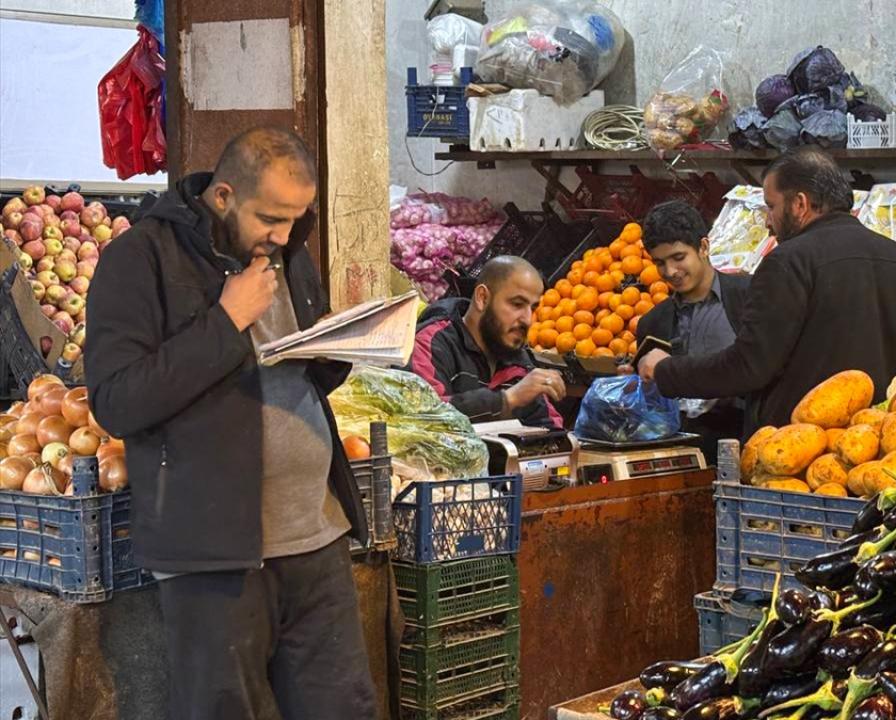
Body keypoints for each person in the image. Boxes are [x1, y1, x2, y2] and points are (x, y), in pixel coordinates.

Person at [84, 127, 377, 720]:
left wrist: (338, 351)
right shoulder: (138, 259)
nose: (285, 235)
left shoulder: (286, 250)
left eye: (296, 219)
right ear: (222, 197)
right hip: (212, 554)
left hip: (316, 537)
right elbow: (117, 400)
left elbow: (289, 369)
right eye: (271, 218)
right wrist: (226, 319)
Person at [638, 146, 896, 436]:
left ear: (799, 204)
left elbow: (749, 366)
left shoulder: (788, 262)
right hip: (892, 445)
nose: (767, 220)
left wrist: (666, 371)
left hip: (805, 455)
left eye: (771, 206)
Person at [632, 201, 750, 458]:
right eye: (660, 262)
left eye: (678, 257)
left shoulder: (748, 300)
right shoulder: (652, 324)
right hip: (678, 454)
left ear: (704, 247)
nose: (670, 271)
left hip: (742, 444)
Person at [411, 256, 565, 429]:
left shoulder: (517, 359)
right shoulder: (431, 343)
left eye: (533, 308)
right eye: (517, 304)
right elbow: (424, 418)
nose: (527, 320)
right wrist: (507, 400)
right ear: (482, 298)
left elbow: (549, 426)